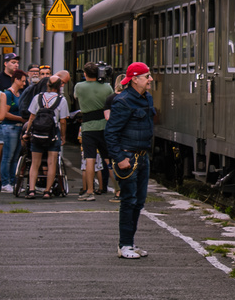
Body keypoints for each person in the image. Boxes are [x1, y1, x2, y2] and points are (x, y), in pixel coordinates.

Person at [106, 62, 156, 259]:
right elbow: (110, 133)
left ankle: (130, 244)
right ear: (135, 79)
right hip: (128, 157)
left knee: (138, 202)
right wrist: (119, 159)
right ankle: (124, 245)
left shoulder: (146, 98)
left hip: (142, 156)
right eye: (147, 76)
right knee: (129, 201)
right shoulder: (123, 101)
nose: (150, 79)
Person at [73, 63, 114, 199]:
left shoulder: (79, 86)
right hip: (104, 125)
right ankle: (119, 190)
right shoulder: (107, 87)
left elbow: (76, 98)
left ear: (85, 74)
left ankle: (89, 191)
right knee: (108, 159)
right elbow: (112, 101)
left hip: (88, 127)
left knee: (89, 159)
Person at [23, 75, 67, 198]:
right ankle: (47, 191)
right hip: (53, 133)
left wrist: (27, 132)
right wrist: (63, 136)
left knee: (35, 163)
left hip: (37, 133)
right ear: (59, 87)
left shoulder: (38, 97)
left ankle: (31, 190)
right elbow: (63, 121)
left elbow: (31, 117)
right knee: (51, 163)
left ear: (48, 85)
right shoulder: (61, 100)